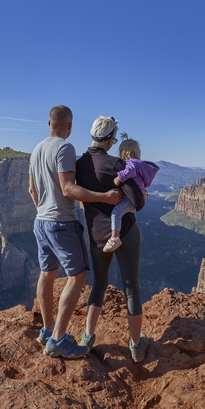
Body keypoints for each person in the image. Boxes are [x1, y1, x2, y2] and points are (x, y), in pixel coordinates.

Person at [28, 106, 123, 359]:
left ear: (48, 122)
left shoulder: (36, 149)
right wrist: (105, 197)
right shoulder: (65, 148)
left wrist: (44, 211)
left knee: (47, 274)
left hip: (41, 221)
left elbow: (32, 190)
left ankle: (48, 330)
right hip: (61, 223)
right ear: (69, 127)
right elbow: (68, 189)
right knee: (78, 276)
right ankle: (58, 340)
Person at [75, 116, 149, 363]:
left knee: (99, 285)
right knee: (131, 289)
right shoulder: (116, 163)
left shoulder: (80, 164)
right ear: (109, 139)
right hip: (126, 234)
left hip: (97, 236)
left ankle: (87, 337)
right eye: (114, 138)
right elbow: (136, 201)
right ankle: (137, 347)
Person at [104, 133, 160, 253]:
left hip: (129, 200)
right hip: (134, 199)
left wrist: (118, 178)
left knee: (116, 213)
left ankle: (115, 238)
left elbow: (129, 171)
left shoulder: (132, 164)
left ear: (124, 153)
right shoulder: (139, 164)